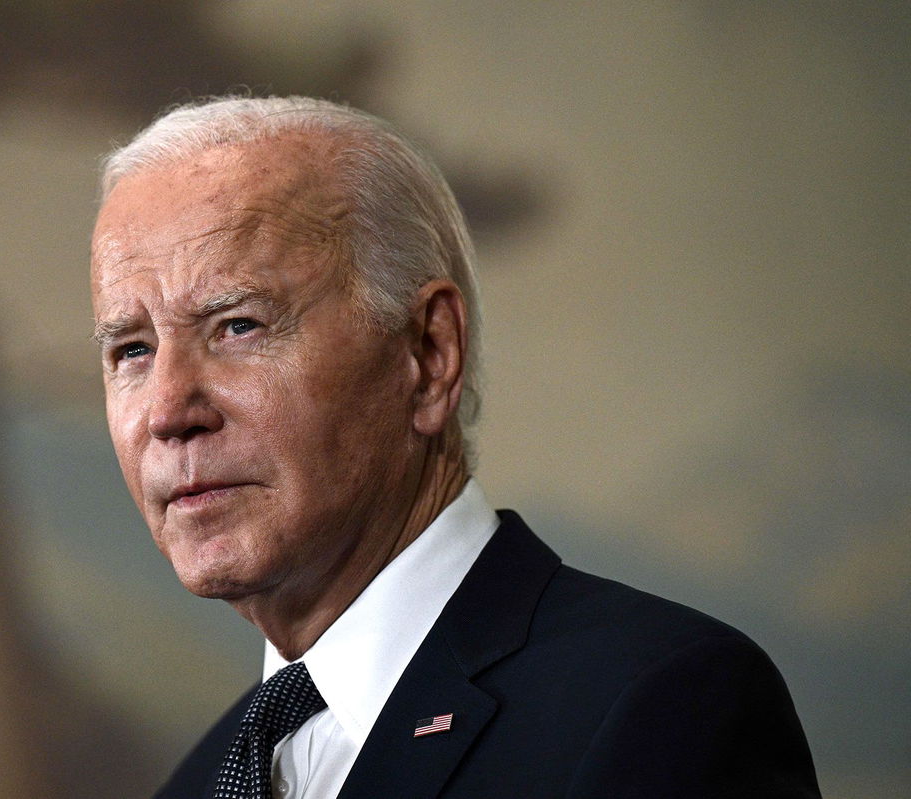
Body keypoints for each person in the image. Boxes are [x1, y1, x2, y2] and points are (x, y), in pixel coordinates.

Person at [89, 96, 820, 799]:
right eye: (131, 349)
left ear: (430, 353)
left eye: (238, 326)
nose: (167, 410)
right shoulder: (202, 782)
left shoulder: (660, 711)